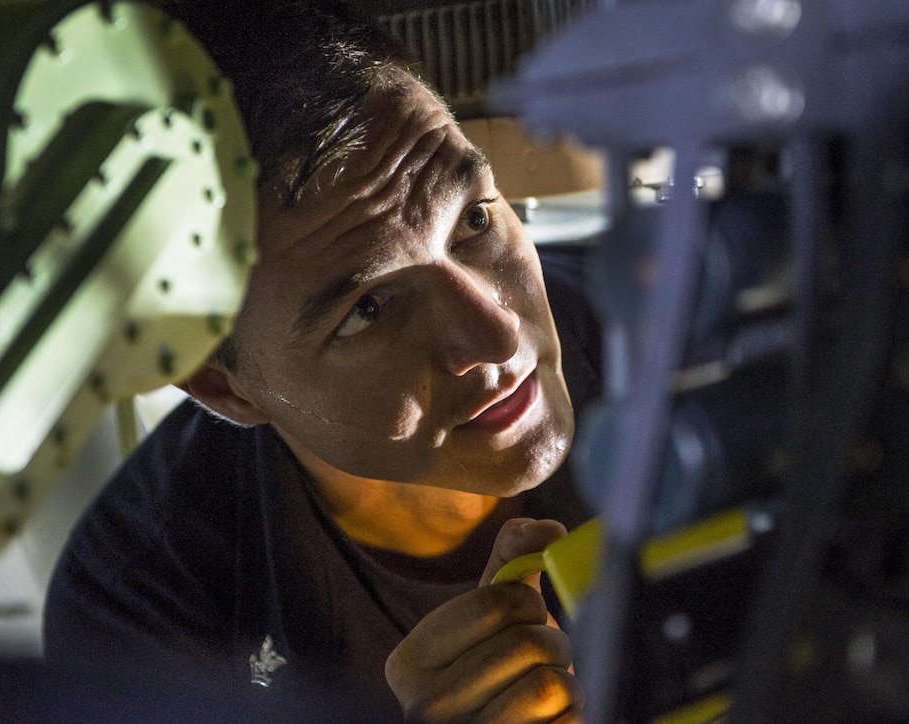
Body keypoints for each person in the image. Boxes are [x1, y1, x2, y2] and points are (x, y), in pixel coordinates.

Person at [43, 1, 602, 721]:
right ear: (225, 387)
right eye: (368, 309)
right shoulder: (146, 606)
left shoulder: (709, 332)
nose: (497, 337)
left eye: (474, 220)